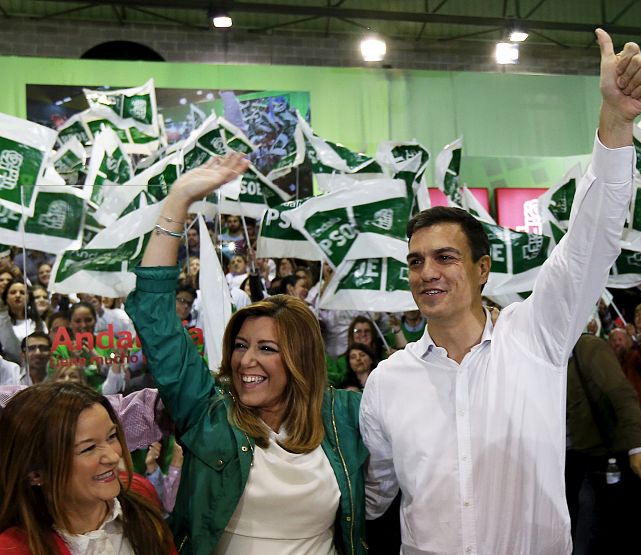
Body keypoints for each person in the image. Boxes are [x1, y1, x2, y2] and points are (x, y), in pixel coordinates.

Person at [359, 29, 641, 553]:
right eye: (415, 261)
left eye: (444, 257)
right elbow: (373, 494)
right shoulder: (388, 382)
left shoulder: (536, 336)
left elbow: (592, 239)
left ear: (482, 269)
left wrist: (614, 123)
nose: (426, 272)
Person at [125, 152, 368, 554]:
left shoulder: (346, 415)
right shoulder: (208, 415)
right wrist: (177, 201)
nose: (245, 361)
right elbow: (156, 319)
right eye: (240, 346)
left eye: (266, 348)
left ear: (301, 359)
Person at [0, 382, 175, 554]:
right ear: (35, 474)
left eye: (112, 436)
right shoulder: (12, 548)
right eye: (88, 448)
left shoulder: (143, 498)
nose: (113, 457)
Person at [566, 334, 641, 554]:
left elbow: (622, 394)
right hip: (568, 463)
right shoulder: (541, 355)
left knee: (594, 537)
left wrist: (636, 448)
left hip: (600, 460)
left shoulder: (587, 347)